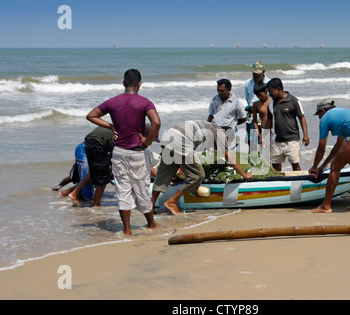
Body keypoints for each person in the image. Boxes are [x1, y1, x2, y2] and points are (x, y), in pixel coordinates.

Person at [86, 69, 161, 235]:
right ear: (140, 84)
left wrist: (110, 126)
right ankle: (151, 224)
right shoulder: (144, 102)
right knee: (141, 189)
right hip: (137, 152)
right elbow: (156, 122)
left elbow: (91, 115)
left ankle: (127, 230)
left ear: (123, 83)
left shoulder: (113, 101)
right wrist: (147, 142)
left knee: (123, 191)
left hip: (118, 151)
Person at [151, 120, 253, 215]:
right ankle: (172, 202)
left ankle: (151, 207)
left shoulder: (209, 128)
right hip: (181, 139)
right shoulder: (220, 133)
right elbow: (229, 157)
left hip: (169, 135)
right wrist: (244, 174)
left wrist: (175, 167)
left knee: (162, 176)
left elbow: (180, 155)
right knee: (198, 175)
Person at [263, 78, 310, 171]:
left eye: (271, 91)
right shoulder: (271, 103)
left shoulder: (294, 101)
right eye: (268, 92)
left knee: (295, 164)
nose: (269, 94)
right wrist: (263, 135)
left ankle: (298, 183)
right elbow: (269, 120)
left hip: (292, 139)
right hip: (276, 140)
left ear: (279, 89)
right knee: (275, 165)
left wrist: (305, 135)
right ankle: (278, 183)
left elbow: (302, 118)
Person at [67, 126, 114, 207]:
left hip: (91, 144)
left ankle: (67, 192)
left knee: (96, 173)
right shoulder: (122, 133)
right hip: (87, 147)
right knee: (89, 192)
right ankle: (95, 204)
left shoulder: (115, 128)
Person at [207, 79, 247, 149]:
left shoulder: (237, 103)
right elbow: (211, 116)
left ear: (229, 89)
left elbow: (244, 118)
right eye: (218, 90)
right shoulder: (214, 99)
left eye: (222, 90)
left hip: (229, 133)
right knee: (214, 155)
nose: (219, 92)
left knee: (227, 155)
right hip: (215, 132)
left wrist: (233, 123)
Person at [244, 61, 270, 147]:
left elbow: (272, 101)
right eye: (254, 74)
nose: (256, 76)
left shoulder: (269, 83)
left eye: (258, 74)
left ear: (263, 72)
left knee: (266, 144)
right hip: (252, 115)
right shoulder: (248, 83)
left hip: (265, 117)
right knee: (252, 143)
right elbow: (248, 98)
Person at [251, 82, 271, 148]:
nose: (259, 97)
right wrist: (258, 134)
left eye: (260, 95)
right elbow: (254, 121)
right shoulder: (256, 104)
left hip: (274, 131)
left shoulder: (272, 102)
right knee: (265, 154)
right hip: (263, 130)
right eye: (257, 96)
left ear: (266, 91)